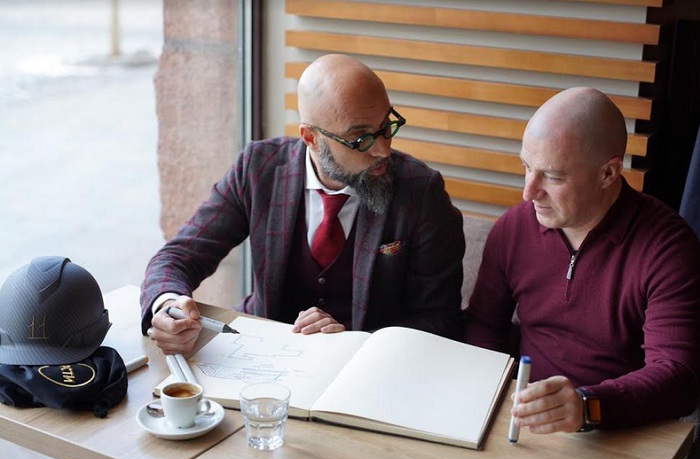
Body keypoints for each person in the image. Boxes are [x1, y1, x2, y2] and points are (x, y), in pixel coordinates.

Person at [140, 54, 465, 355]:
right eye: (361, 138)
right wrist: (167, 306)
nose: (383, 149)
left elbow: (440, 319)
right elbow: (178, 257)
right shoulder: (258, 169)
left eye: (386, 127)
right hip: (258, 353)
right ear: (311, 138)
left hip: (365, 369)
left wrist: (353, 340)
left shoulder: (422, 192)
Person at [464, 87, 700, 433]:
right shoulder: (513, 228)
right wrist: (491, 393)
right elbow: (482, 326)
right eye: (527, 167)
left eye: (553, 176)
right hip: (521, 421)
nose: (529, 192)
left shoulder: (667, 248)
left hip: (619, 431)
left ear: (608, 174)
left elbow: (679, 377)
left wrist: (588, 406)